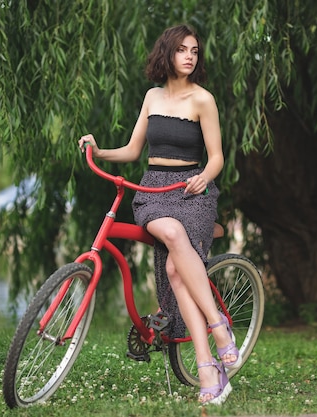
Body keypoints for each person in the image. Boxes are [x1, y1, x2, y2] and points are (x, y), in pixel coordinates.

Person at [78, 24, 238, 405]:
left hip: (192, 190)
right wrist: (100, 152)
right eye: (182, 49)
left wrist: (203, 177)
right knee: (172, 237)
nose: (189, 56)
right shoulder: (152, 97)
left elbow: (216, 157)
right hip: (153, 191)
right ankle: (219, 330)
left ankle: (207, 366)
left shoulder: (203, 100)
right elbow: (134, 151)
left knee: (173, 271)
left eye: (195, 51)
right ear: (166, 53)